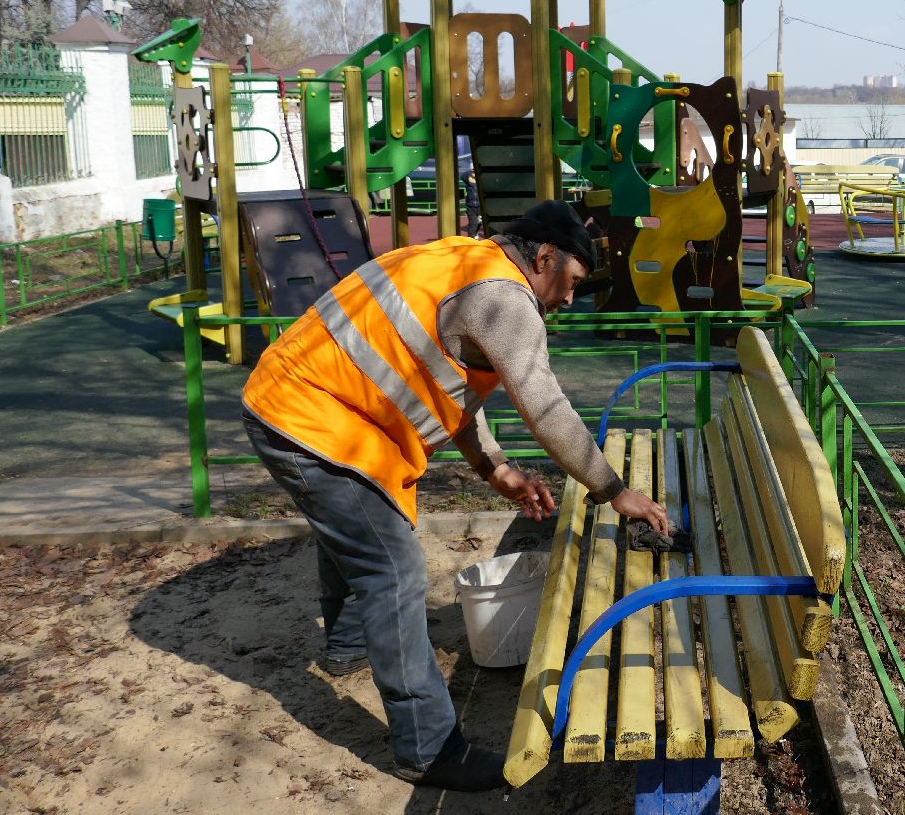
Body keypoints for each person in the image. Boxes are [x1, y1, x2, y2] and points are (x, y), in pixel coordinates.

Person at [240, 200, 670, 792]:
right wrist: (612, 489)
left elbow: (445, 377)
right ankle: (429, 749)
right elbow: (544, 407)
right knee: (392, 569)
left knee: (359, 524)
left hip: (300, 403)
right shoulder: (506, 301)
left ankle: (345, 646)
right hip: (312, 418)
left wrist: (493, 467)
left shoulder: (467, 262)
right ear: (544, 256)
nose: (570, 298)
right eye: (571, 280)